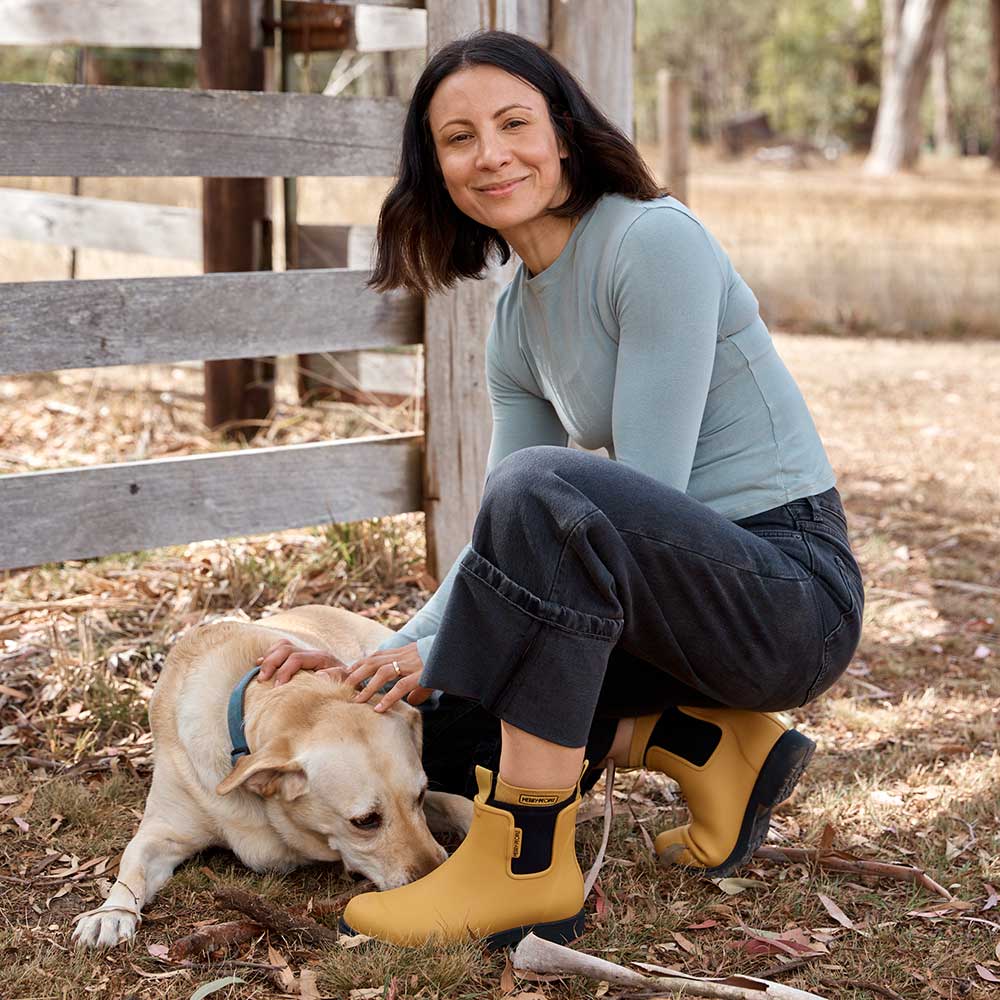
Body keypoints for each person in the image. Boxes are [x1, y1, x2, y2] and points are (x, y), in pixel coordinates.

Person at [255, 30, 864, 949]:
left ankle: (528, 867)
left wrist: (460, 640)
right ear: (437, 168)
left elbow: (628, 498)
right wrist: (384, 661)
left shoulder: (653, 241)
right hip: (667, 604)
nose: (491, 153)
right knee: (442, 729)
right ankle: (715, 748)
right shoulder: (515, 319)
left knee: (538, 492)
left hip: (784, 595)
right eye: (459, 138)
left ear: (566, 134)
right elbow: (510, 545)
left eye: (514, 123)